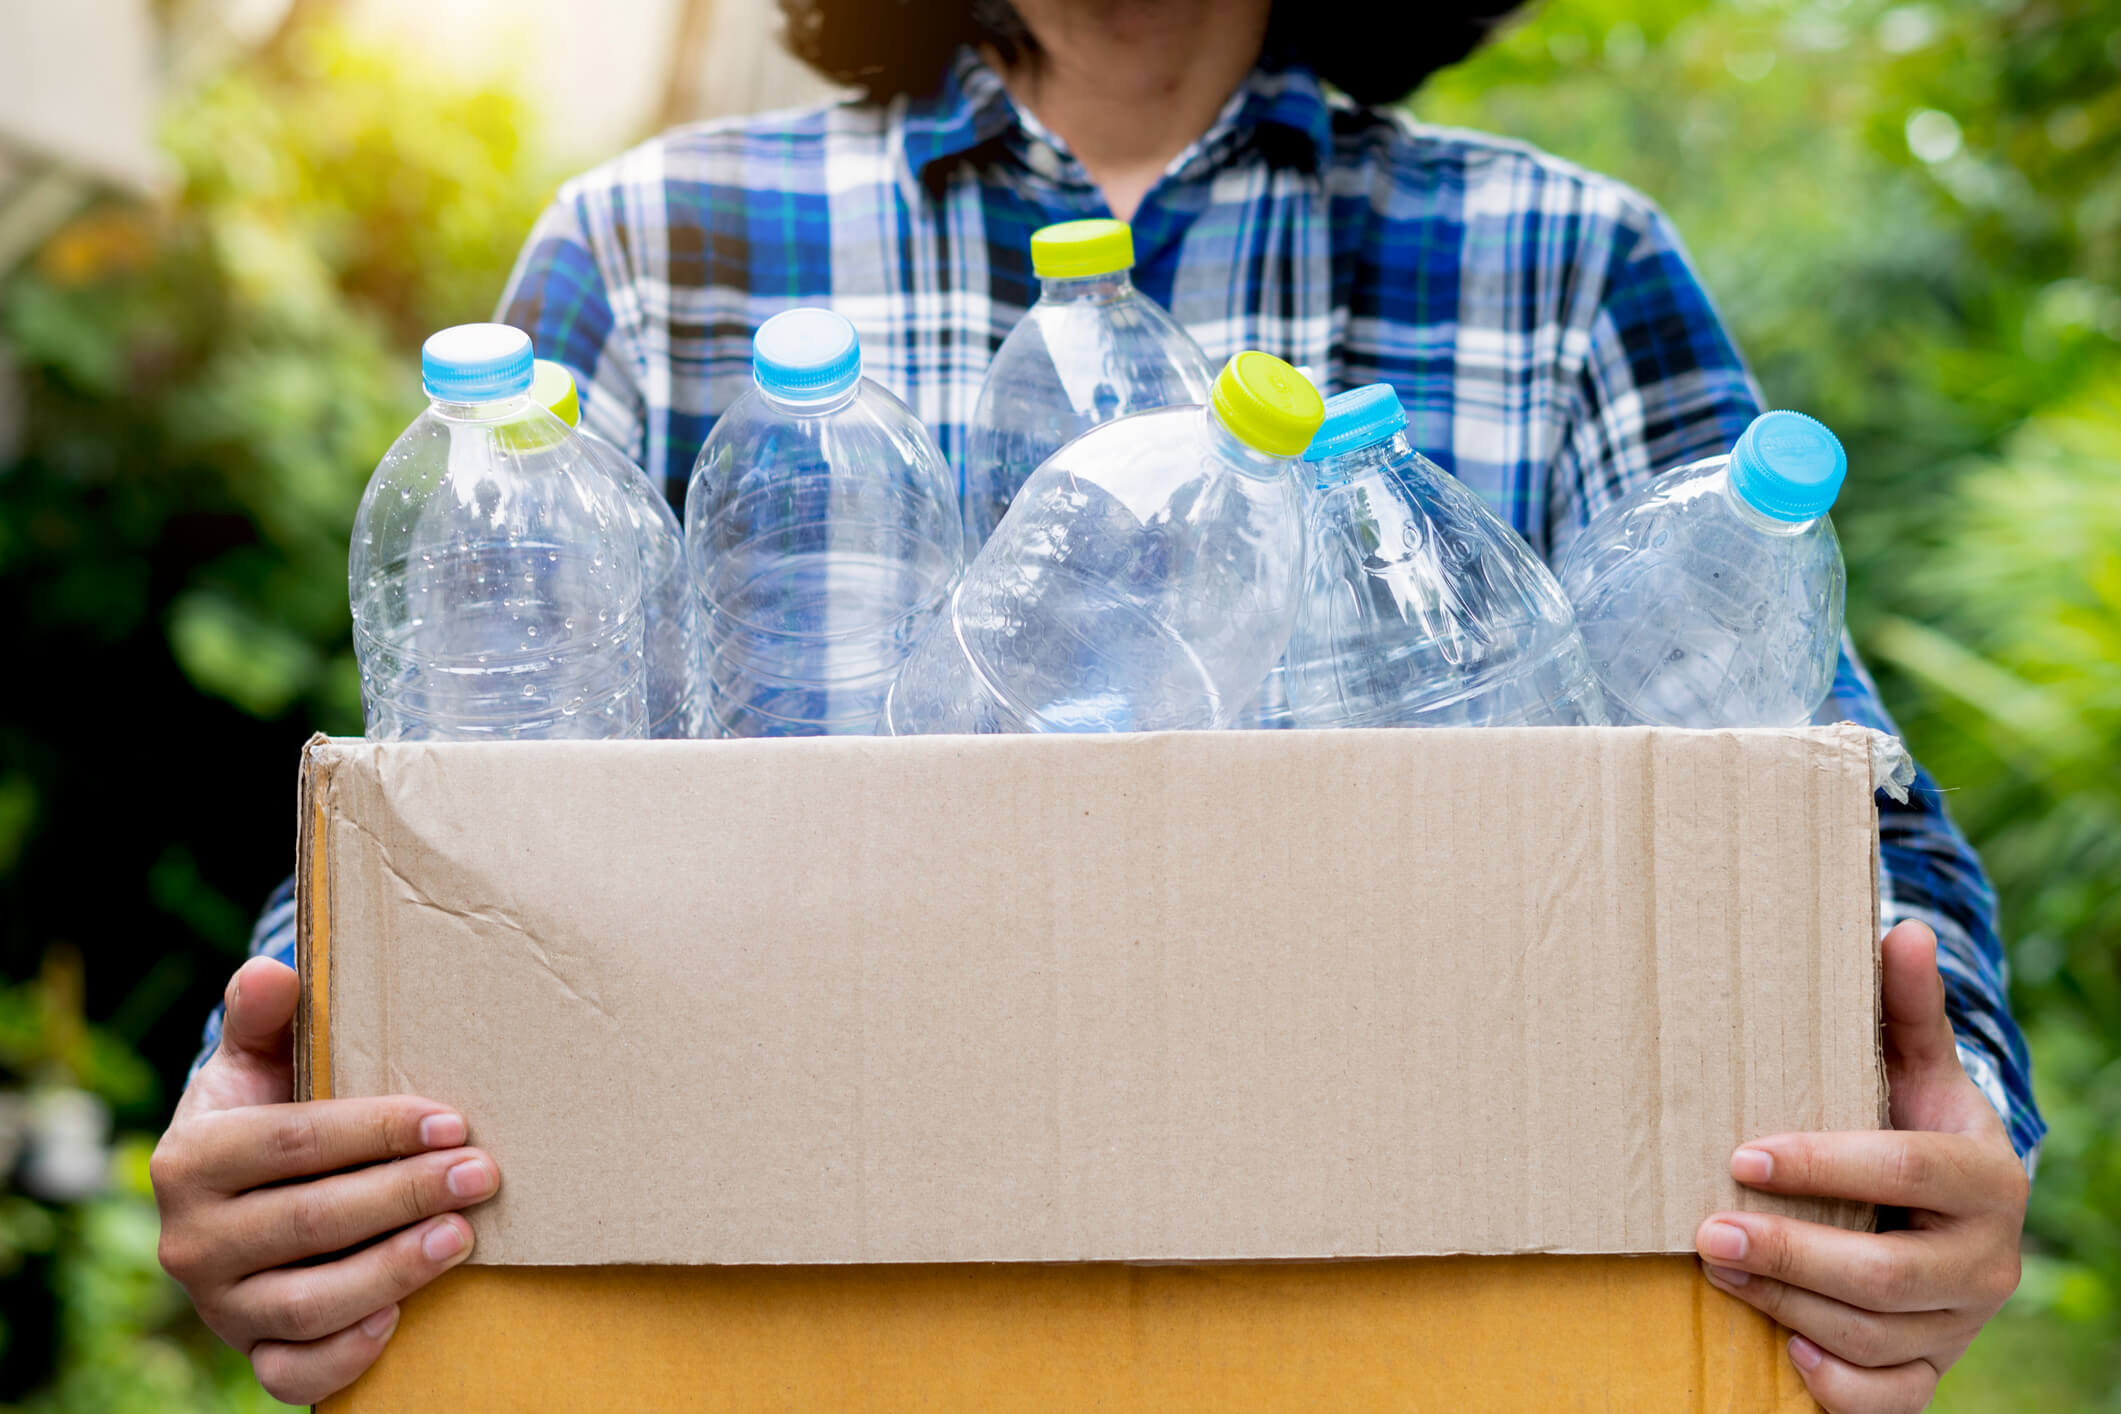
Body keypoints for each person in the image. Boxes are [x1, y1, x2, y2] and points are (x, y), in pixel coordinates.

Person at [151, 2, 2041, 1408]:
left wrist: (1942, 1153)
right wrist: (297, 1104)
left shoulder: (1564, 263)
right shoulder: (655, 252)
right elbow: (457, 784)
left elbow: (1829, 806)